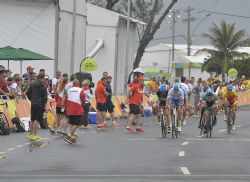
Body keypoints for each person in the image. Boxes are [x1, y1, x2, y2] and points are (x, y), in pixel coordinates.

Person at [26, 72, 48, 140]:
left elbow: (27, 93)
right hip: (40, 103)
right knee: (37, 119)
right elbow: (45, 97)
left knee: (32, 119)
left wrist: (31, 99)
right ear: (43, 78)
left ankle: (30, 135)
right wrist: (45, 106)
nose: (45, 80)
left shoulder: (32, 84)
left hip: (33, 103)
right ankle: (34, 135)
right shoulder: (42, 85)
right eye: (45, 78)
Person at [64, 79, 86, 144]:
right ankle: (69, 135)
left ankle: (72, 138)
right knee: (77, 124)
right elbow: (83, 100)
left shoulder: (69, 90)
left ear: (73, 84)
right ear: (78, 84)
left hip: (70, 109)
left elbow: (65, 99)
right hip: (77, 109)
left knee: (72, 123)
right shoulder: (80, 90)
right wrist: (82, 104)